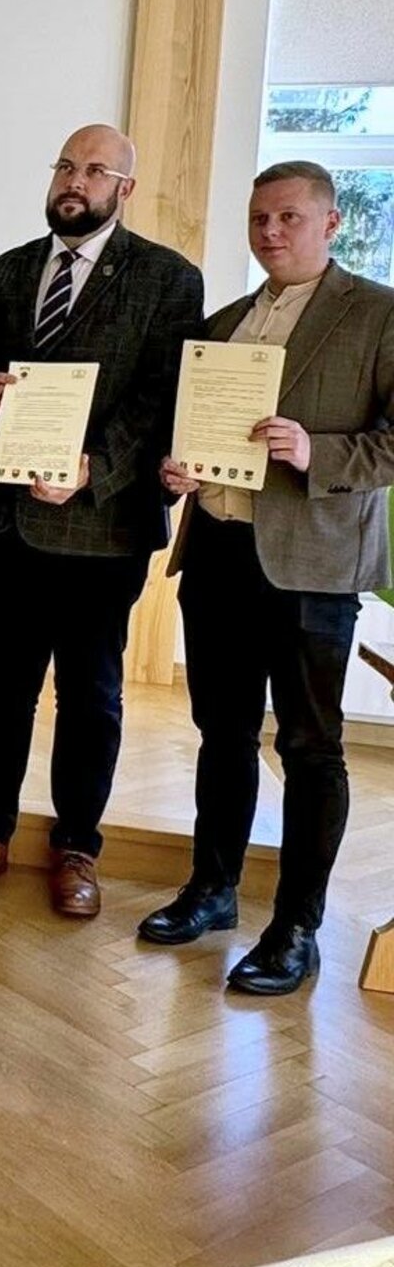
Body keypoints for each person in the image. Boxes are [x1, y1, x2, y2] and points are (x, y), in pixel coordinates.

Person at [139, 162, 394, 994]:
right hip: (218, 550)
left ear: (331, 223)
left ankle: (296, 927)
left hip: (312, 565)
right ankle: (213, 889)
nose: (270, 231)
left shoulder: (379, 312)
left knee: (310, 748)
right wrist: (176, 468)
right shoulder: (224, 323)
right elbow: (189, 430)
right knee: (221, 731)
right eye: (259, 218)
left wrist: (318, 451)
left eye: (289, 216)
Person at [0, 124, 204, 918]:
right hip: (9, 523)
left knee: (91, 694)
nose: (74, 180)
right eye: (65, 165)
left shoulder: (167, 278)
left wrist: (95, 467)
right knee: (2, 687)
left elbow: (160, 396)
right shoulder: (4, 272)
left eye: (94, 170)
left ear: (125, 188)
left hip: (103, 524)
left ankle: (77, 846)